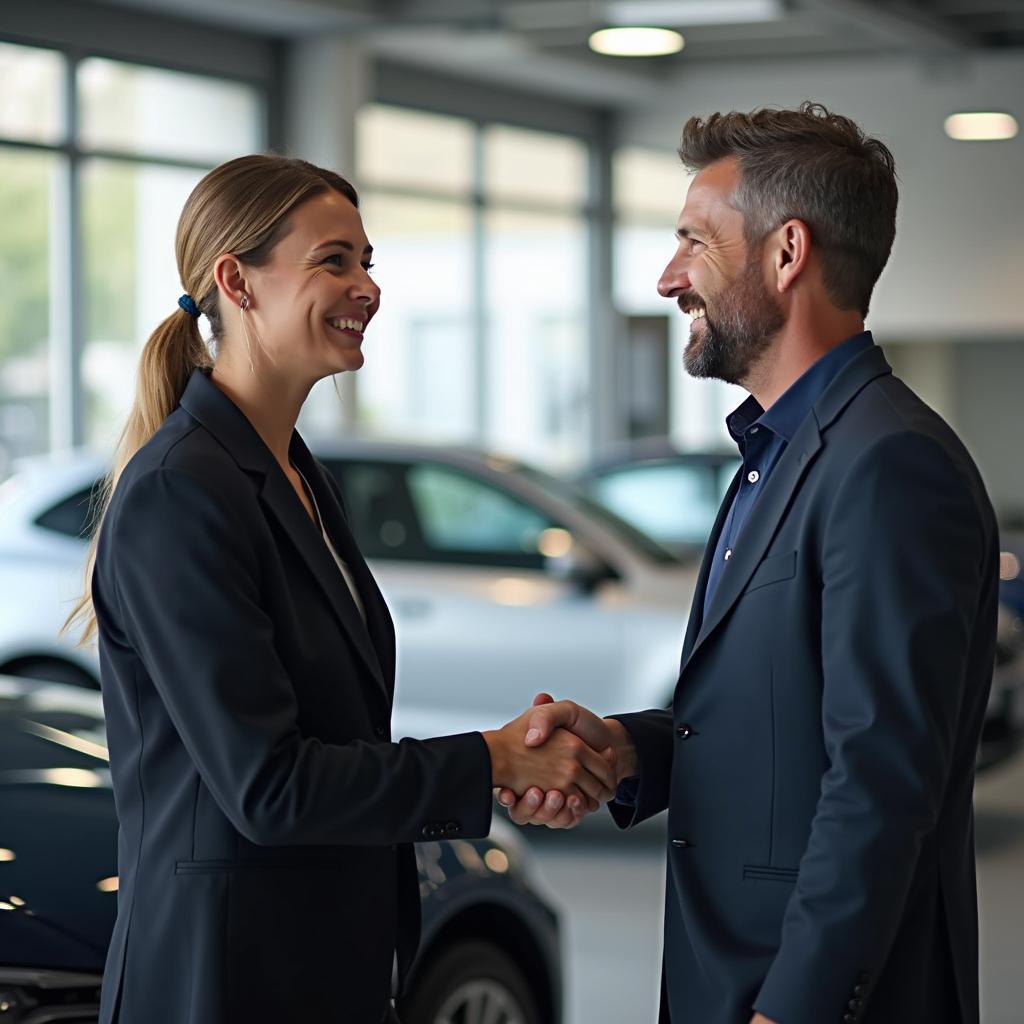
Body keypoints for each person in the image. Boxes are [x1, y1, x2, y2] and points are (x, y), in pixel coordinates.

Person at [66, 154, 616, 1024]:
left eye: (368, 261)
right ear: (235, 282)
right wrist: (493, 760)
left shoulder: (292, 471)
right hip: (224, 978)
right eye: (334, 260)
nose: (367, 287)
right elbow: (268, 786)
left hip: (316, 961)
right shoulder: (182, 489)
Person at [499, 103, 999, 1024]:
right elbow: (778, 725)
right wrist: (627, 753)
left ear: (786, 253)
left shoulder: (888, 465)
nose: (666, 277)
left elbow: (880, 786)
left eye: (694, 240)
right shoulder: (780, 452)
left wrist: (794, 1009)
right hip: (731, 975)